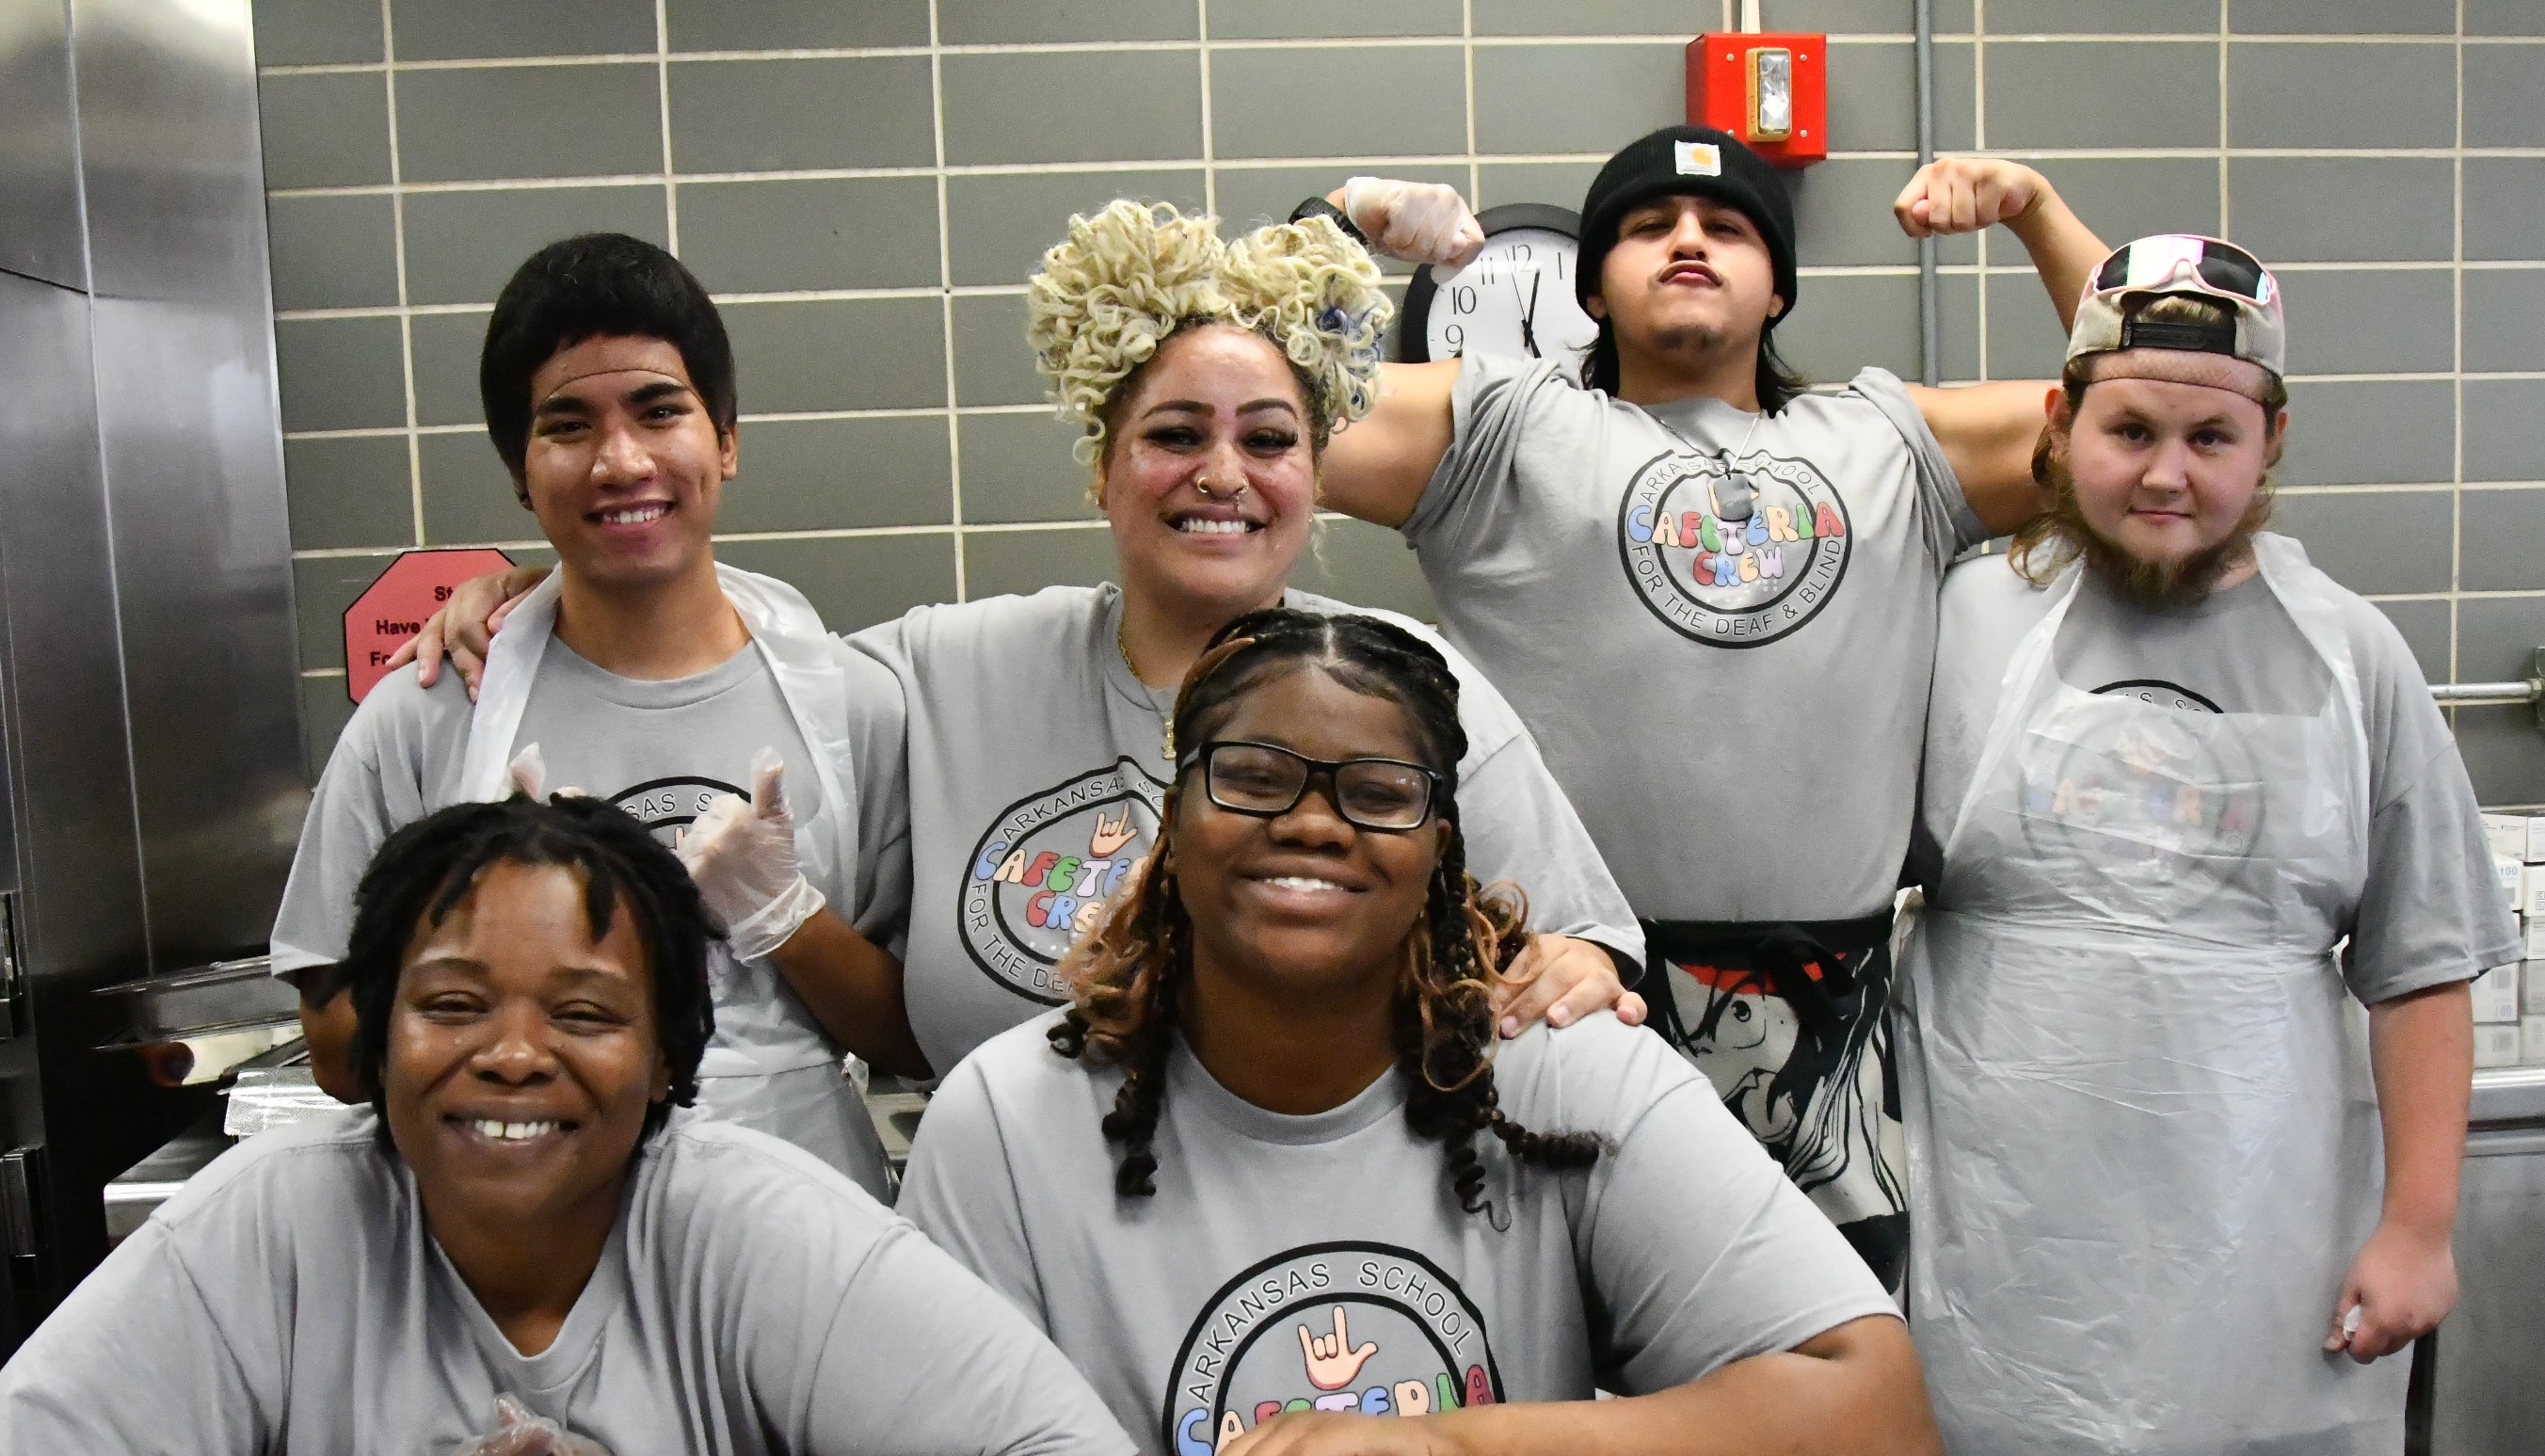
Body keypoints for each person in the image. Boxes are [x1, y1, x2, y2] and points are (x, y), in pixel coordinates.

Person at [405, 203, 1644, 1080]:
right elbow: (720, 654)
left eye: (1269, 440)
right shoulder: (953, 674)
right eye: (1173, 436)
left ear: (1314, 476)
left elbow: (1580, 943)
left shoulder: (1410, 691)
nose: (1223, 474)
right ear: (1102, 471)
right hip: (1007, 1297)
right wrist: (558, 582)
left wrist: (1577, 976)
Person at [901, 608, 1942, 1456]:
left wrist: (1426, 1442)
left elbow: (1878, 1441)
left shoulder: (1560, 1072)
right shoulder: (1001, 1121)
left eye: (1380, 790)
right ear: (1173, 818)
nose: (1311, 822)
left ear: (1442, 840)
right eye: (1253, 778)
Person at [0, 793, 1151, 1456]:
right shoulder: (271, 1223)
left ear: (666, 1060)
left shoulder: (753, 1220)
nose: (510, 1056)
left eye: (585, 1013)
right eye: (450, 1004)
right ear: (375, 1039)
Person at [1269, 135, 2111, 1287]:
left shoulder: (1895, 442)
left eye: (1726, 226)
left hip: (1831, 1034)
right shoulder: (1498, 433)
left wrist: (2038, 208)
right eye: (1646, 224)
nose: (1686, 241)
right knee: (1559, 1357)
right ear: (1593, 284)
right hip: (1557, 995)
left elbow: (2159, 406)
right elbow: (1239, 400)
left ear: (1779, 286)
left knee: (1827, 1384)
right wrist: (1338, 222)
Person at [1891, 236, 2519, 1456]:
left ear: (2271, 442)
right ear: (2061, 423)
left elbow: (2423, 965)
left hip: (2264, 1248)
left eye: (2211, 440)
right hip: (1998, 1259)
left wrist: (2418, 1230)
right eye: (2129, 431)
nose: (2166, 476)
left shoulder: (2355, 657)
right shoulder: (1954, 623)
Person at [274, 233, 918, 1194]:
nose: (622, 460)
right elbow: (332, 1049)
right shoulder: (430, 712)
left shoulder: (856, 704)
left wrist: (784, 915)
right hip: (516, 1248)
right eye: (568, 425)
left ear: (727, 439)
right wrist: (491, 949)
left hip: (798, 1235)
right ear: (518, 471)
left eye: (660, 411)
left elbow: (911, 1033)